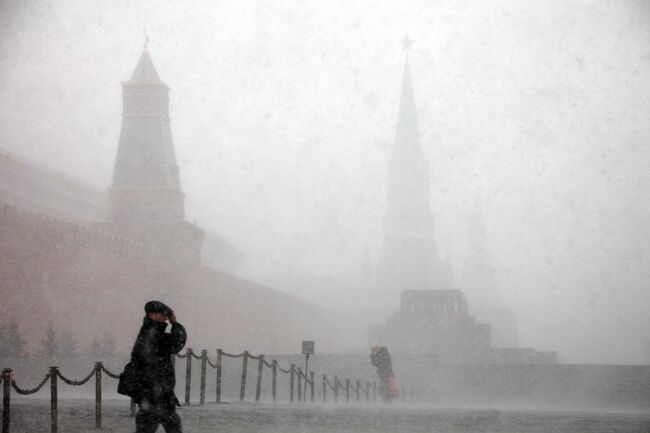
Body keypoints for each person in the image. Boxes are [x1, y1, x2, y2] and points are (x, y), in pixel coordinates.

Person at [131, 300, 187, 433]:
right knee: (153, 425)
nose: (165, 317)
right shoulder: (152, 334)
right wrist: (175, 324)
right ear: (151, 315)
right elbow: (176, 343)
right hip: (155, 393)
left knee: (166, 424)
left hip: (157, 392)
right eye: (162, 314)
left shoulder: (150, 331)